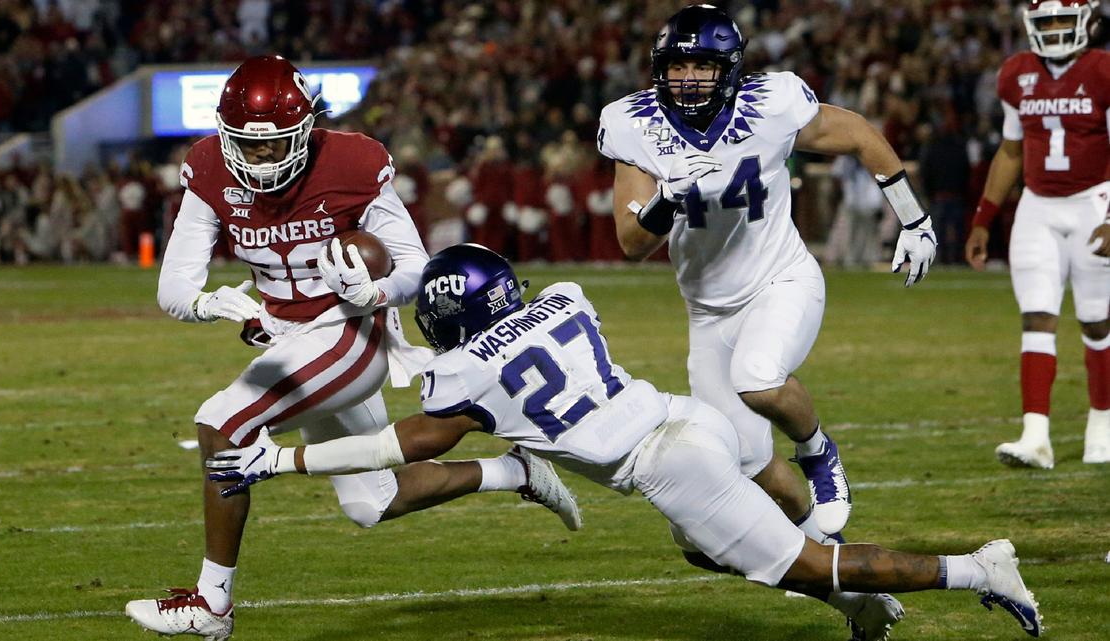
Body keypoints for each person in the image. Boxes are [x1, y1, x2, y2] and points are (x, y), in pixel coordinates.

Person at [207, 244, 1043, 641]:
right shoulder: (566, 297)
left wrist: (281, 458)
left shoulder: (465, 378)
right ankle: (858, 599)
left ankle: (974, 566)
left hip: (663, 462)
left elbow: (398, 445)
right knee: (702, 552)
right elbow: (511, 353)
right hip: (685, 415)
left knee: (801, 564)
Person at [125, 56, 582, 641]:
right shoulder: (209, 165)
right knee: (373, 500)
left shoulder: (352, 161)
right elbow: (174, 287)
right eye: (248, 146)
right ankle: (513, 471)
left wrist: (377, 289)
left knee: (222, 422)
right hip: (291, 340)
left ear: (306, 127)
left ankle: (212, 606)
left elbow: (417, 267)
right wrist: (213, 303)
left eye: (275, 146)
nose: (261, 162)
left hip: (349, 331)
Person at [595, 4, 938, 535]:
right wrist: (667, 199)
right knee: (751, 463)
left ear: (729, 68)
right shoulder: (632, 124)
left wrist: (914, 219)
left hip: (781, 280)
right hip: (708, 311)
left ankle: (818, 450)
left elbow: (860, 135)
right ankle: (822, 549)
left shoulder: (773, 102)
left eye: (702, 67)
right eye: (677, 68)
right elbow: (631, 243)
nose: (687, 81)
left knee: (758, 380)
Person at [966, 0, 1110, 469]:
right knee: (1037, 318)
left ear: (1086, 21)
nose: (1053, 30)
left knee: (1096, 321)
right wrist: (984, 217)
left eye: (1062, 20)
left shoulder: (1103, 70)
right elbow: (1010, 151)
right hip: (1038, 205)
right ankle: (1036, 436)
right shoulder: (1016, 73)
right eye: (1044, 21)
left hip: (1095, 202)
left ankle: (1102, 425)